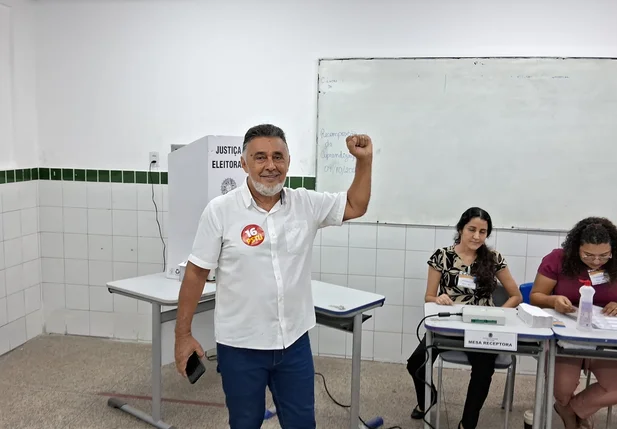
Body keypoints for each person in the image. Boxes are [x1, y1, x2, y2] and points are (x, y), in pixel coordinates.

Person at [173, 124, 373, 429]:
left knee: (302, 423)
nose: (270, 166)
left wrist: (364, 161)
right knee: (244, 423)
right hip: (240, 346)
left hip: (293, 343)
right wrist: (183, 335)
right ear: (244, 163)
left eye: (278, 157)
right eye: (260, 157)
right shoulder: (220, 211)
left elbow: (355, 205)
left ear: (289, 161)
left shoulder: (306, 204)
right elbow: (196, 273)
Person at [406, 207, 522, 429]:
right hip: (449, 325)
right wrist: (438, 298)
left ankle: (468, 424)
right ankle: (427, 400)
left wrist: (499, 313)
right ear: (460, 229)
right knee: (415, 363)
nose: (477, 236)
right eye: (472, 229)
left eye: (483, 231)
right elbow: (429, 296)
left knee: (483, 368)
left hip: (483, 326)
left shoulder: (494, 258)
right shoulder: (442, 256)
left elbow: (516, 296)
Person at [530, 217, 617, 429]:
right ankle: (565, 405)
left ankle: (571, 410)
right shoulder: (558, 259)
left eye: (604, 255)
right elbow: (536, 296)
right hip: (566, 337)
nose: (597, 261)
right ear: (576, 247)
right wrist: (553, 300)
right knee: (562, 390)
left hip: (604, 337)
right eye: (588, 255)